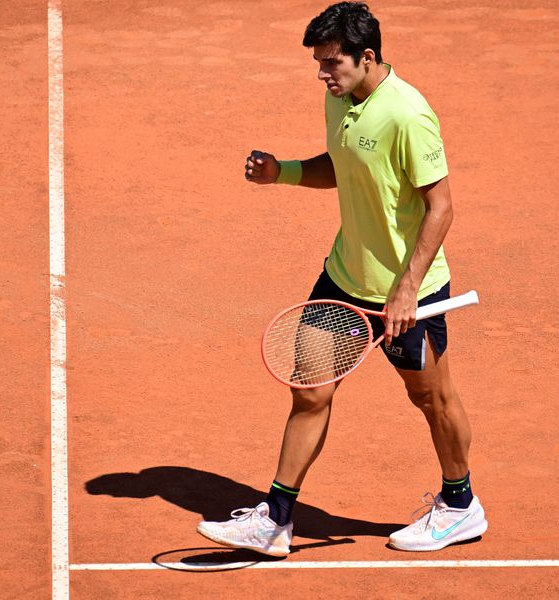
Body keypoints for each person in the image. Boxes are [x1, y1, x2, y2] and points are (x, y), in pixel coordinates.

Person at [197, 1, 487, 556]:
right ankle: (276, 519)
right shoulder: (341, 101)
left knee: (433, 399)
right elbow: (343, 162)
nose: (323, 74)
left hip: (408, 292)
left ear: (368, 56)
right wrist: (280, 172)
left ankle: (459, 505)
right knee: (309, 390)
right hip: (344, 277)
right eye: (319, 64)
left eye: (332, 63)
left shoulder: (408, 114)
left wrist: (406, 289)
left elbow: (442, 207)